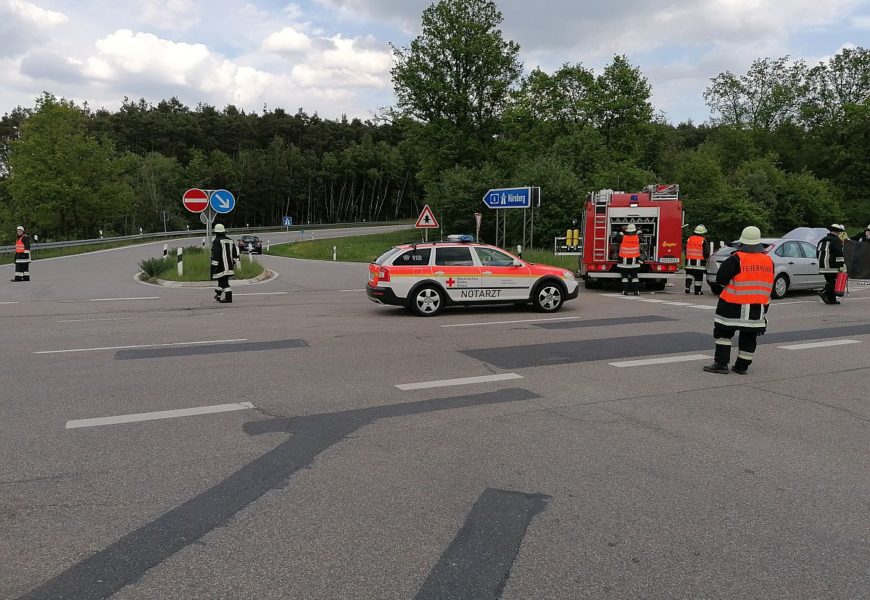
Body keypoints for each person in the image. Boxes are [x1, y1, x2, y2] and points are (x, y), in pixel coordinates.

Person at [703, 225, 774, 375]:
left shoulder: (736, 259)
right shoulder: (768, 261)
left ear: (742, 243)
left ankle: (721, 364)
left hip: (732, 305)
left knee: (723, 333)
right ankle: (742, 366)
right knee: (749, 335)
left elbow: (721, 279)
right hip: (757, 307)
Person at [816, 223, 846, 305]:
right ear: (837, 232)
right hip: (832, 266)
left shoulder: (822, 240)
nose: (839, 234)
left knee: (829, 281)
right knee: (834, 281)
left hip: (822, 266)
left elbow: (817, 253)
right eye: (839, 232)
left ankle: (831, 300)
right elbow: (839, 254)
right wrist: (841, 266)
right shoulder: (837, 241)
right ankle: (824, 291)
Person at [211, 224, 239, 303]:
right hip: (229, 266)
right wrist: (233, 262)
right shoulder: (230, 240)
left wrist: (213, 267)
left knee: (224, 282)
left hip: (221, 266)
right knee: (221, 281)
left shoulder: (216, 241)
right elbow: (235, 253)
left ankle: (228, 297)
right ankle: (218, 294)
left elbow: (216, 255)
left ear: (216, 232)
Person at [684, 224, 710, 295]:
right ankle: (697, 291)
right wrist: (706, 258)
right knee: (698, 277)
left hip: (689, 263)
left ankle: (687, 286)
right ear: (702, 233)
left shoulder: (689, 239)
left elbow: (685, 250)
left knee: (689, 274)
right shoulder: (703, 240)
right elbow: (706, 252)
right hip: (699, 264)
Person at [617, 223, 641, 295]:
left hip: (623, 262)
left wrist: (622, 230)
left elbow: (618, 236)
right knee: (634, 277)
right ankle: (636, 291)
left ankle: (625, 291)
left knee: (624, 277)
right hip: (634, 262)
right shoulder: (637, 237)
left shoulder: (622, 237)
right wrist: (638, 230)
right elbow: (641, 234)